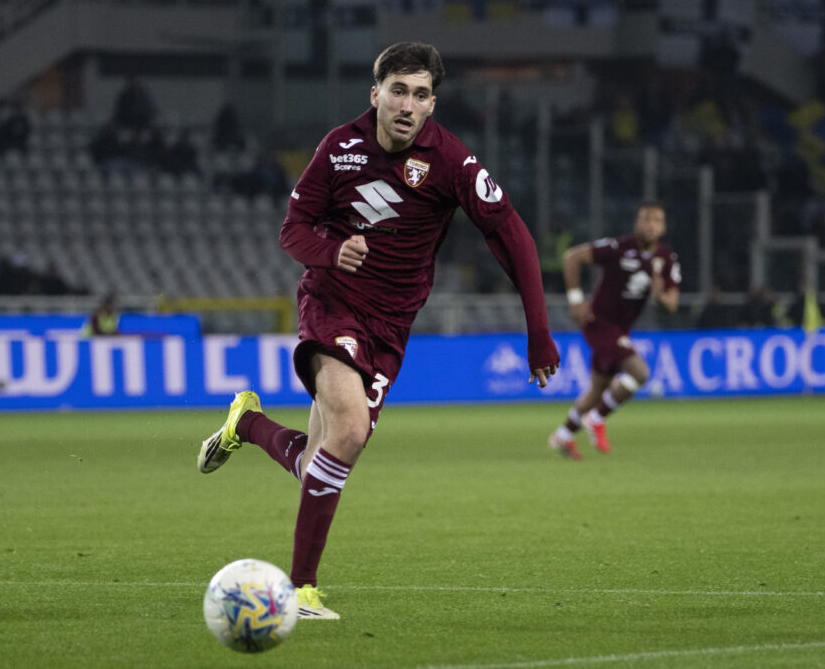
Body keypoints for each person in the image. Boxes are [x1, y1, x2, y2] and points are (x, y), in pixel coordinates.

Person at [197, 42, 560, 620]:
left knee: (319, 461)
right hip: (333, 303)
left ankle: (248, 423)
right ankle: (300, 590)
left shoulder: (451, 160)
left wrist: (538, 332)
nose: (407, 105)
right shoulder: (339, 148)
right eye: (398, 91)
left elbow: (510, 234)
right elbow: (293, 229)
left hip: (391, 326)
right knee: (351, 430)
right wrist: (331, 251)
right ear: (376, 94)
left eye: (420, 95)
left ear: (432, 104)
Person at [547, 201, 680, 460]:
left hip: (621, 330)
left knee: (597, 390)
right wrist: (575, 300)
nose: (651, 225)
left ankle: (563, 436)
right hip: (597, 322)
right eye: (646, 219)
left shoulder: (666, 259)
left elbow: (672, 305)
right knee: (640, 373)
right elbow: (572, 256)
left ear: (663, 227)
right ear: (637, 223)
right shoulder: (618, 248)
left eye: (657, 220)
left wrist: (660, 294)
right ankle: (597, 418)